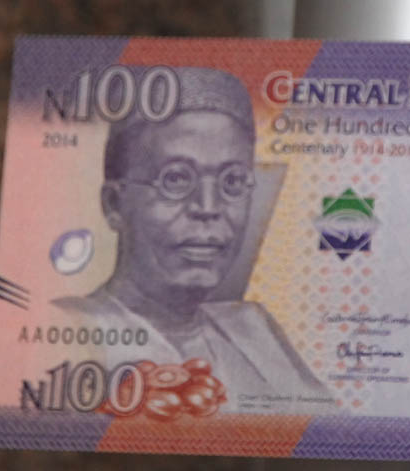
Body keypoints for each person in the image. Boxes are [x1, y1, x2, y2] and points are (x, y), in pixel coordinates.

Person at [54, 67, 326, 402]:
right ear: (114, 204)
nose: (208, 207)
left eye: (232, 181)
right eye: (176, 179)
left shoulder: (253, 330)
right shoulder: (69, 331)